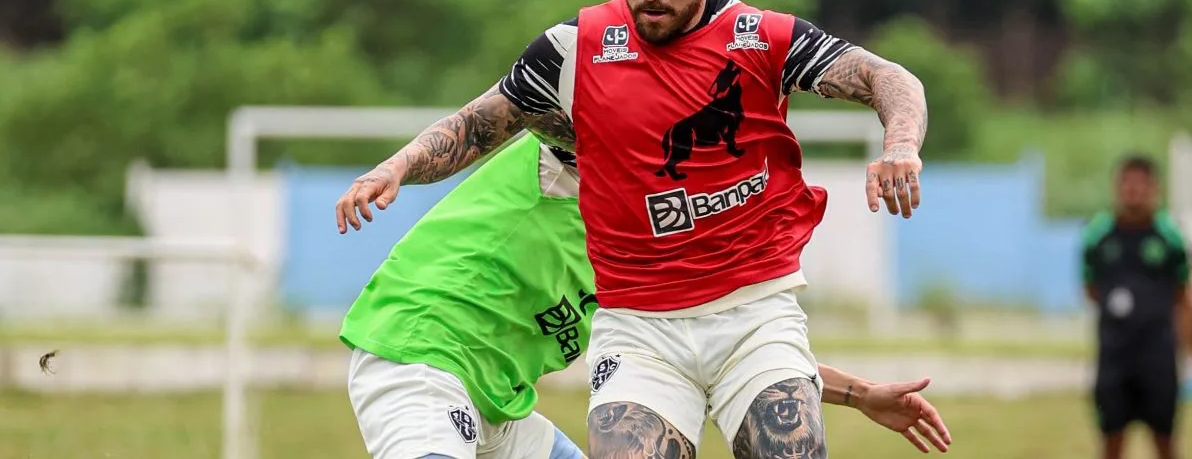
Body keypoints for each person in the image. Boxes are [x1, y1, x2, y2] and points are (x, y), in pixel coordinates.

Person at [336, 0, 929, 459]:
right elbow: (477, 123)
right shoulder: (572, 70)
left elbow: (887, 77)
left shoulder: (757, 45)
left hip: (538, 386)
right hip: (487, 349)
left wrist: (901, 146)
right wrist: (400, 165)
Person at [339, 133, 950, 459]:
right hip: (419, 361)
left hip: (498, 407)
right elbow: (508, 107)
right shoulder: (568, 162)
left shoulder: (644, 240)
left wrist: (861, 393)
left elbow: (725, 341)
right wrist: (406, 162)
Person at [1082, 155, 1190, 459]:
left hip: (1158, 357)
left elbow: (1181, 296)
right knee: (1111, 440)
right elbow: (1091, 289)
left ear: (1154, 188)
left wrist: (1185, 350)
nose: (1134, 191)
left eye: (1141, 185)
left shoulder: (1170, 238)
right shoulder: (1098, 237)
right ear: (1117, 187)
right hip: (1114, 358)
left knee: (1165, 440)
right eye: (1127, 184)